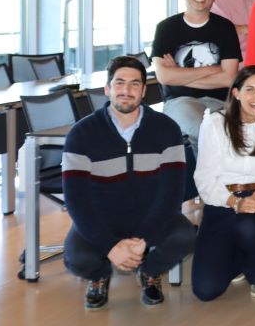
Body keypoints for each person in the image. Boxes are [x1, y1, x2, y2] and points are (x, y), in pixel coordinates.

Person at [62, 56, 196, 309]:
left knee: (185, 236)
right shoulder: (81, 134)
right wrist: (110, 247)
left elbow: (171, 194)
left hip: (151, 215)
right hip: (103, 217)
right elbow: (76, 201)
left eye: (135, 84)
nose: (126, 90)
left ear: (144, 91)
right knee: (77, 258)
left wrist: (145, 239)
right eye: (119, 83)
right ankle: (99, 276)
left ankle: (149, 273)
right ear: (107, 89)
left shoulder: (167, 129)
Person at [192, 66, 255, 300]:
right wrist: (235, 202)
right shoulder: (215, 124)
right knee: (206, 290)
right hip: (222, 202)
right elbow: (205, 178)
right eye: (249, 90)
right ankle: (240, 257)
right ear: (236, 93)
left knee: (249, 226)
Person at [151, 0, 241, 152]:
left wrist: (180, 73)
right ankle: (206, 181)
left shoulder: (225, 28)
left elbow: (229, 78)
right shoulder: (166, 28)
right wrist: (213, 69)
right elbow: (165, 77)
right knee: (206, 131)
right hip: (179, 101)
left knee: (235, 134)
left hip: (221, 103)